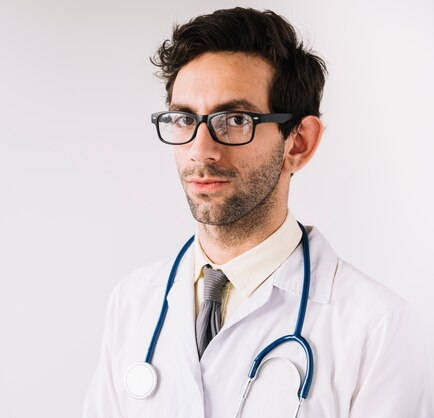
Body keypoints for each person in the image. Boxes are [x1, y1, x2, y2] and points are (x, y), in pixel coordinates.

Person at [82, 8, 433, 418]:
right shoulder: (132, 301)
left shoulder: (378, 328)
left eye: (234, 120)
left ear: (298, 142)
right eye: (184, 119)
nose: (201, 150)